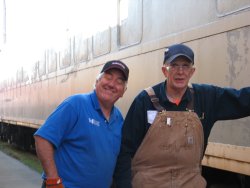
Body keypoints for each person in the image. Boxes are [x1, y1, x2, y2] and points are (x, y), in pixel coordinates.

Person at [113, 43, 250, 188]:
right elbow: (125, 150)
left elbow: (241, 100)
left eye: (185, 66)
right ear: (165, 71)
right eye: (174, 65)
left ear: (192, 72)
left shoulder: (206, 97)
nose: (180, 71)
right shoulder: (145, 100)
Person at [34, 60, 129, 188]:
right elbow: (43, 139)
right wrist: (53, 181)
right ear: (97, 82)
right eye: (108, 77)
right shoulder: (75, 104)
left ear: (123, 91)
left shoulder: (119, 119)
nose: (112, 84)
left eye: (119, 81)